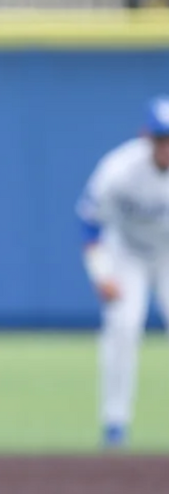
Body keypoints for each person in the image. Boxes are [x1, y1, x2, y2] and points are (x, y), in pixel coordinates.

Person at [76, 96, 169, 449]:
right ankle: (115, 425)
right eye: (162, 138)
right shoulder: (119, 169)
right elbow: (89, 223)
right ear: (147, 137)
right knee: (123, 327)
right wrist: (102, 274)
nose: (167, 147)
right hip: (127, 252)